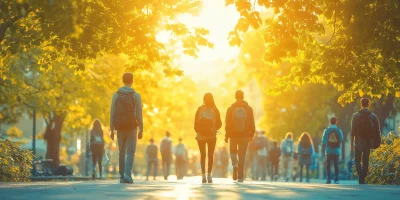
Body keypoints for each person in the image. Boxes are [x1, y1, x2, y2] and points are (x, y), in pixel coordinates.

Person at [110, 72, 143, 184]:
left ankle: (121, 176)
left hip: (119, 127)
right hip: (132, 127)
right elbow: (139, 115)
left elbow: (112, 113)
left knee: (121, 151)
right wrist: (141, 129)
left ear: (123, 80)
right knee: (130, 151)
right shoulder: (136, 95)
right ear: (132, 81)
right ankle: (128, 175)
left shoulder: (116, 95)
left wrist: (111, 129)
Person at [225, 90, 256, 183]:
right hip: (244, 134)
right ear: (243, 96)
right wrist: (251, 133)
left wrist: (227, 135)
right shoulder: (248, 108)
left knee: (233, 152)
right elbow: (252, 121)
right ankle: (240, 177)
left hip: (233, 135)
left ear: (235, 97)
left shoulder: (230, 109)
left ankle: (235, 164)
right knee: (242, 155)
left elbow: (227, 123)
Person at [351, 98, 381, 184]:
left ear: (361, 104)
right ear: (369, 104)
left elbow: (352, 131)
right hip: (368, 141)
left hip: (358, 141)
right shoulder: (373, 116)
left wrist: (351, 143)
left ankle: (360, 174)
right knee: (365, 159)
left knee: (357, 159)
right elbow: (377, 130)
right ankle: (363, 177)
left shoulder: (355, 116)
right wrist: (378, 142)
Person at [194, 93, 222, 183]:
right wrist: (214, 129)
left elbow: (195, 124)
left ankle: (203, 175)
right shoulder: (215, 110)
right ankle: (209, 175)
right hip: (212, 136)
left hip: (201, 136)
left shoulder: (199, 109)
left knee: (202, 155)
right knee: (210, 155)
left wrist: (198, 131)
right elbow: (219, 123)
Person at [322, 117, 344, 184]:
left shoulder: (327, 130)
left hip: (328, 150)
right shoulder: (339, 130)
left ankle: (328, 178)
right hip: (336, 150)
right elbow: (341, 139)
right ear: (336, 122)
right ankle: (336, 179)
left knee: (328, 164)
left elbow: (323, 141)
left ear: (330, 122)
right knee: (336, 164)